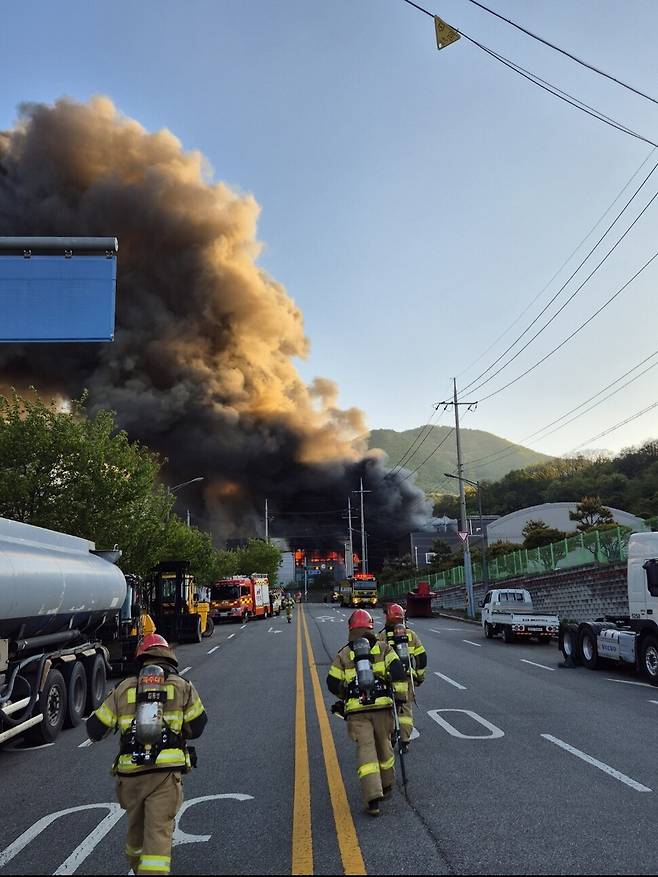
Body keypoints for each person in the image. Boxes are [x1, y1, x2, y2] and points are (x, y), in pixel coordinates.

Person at [86, 634, 208, 875]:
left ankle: (138, 867)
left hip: (130, 777)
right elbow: (198, 727)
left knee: (136, 840)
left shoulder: (122, 688)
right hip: (165, 776)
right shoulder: (182, 686)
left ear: (140, 659)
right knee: (157, 840)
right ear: (169, 657)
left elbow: (95, 730)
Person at [326, 608, 408, 816]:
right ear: (371, 626)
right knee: (384, 745)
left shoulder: (344, 653)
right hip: (382, 707)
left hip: (357, 711)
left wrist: (344, 697)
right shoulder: (383, 648)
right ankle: (388, 784)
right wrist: (399, 698)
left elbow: (332, 682)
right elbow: (399, 672)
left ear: (350, 628)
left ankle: (373, 799)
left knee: (366, 749)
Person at [378, 603, 427, 752]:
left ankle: (391, 737)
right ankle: (404, 741)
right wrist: (419, 676)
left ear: (388, 617)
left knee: (388, 709)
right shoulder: (411, 635)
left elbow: (376, 659)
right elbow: (422, 657)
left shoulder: (381, 635)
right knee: (405, 710)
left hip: (389, 680)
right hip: (406, 679)